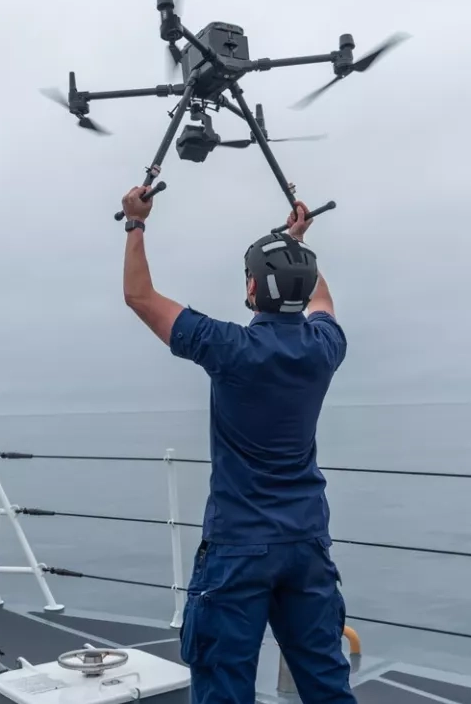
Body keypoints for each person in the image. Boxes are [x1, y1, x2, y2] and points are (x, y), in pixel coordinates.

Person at [119, 185, 355, 704]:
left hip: (240, 545)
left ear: (253, 288)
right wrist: (293, 244)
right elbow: (321, 298)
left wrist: (135, 224)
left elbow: (139, 297)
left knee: (224, 683)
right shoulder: (324, 348)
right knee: (326, 681)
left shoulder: (230, 348)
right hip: (307, 543)